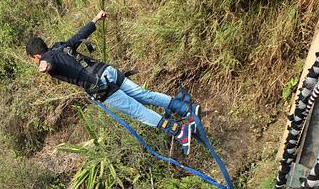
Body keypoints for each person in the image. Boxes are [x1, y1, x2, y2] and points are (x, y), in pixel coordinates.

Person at [25, 10, 200, 155]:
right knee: (143, 95)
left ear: (36, 56)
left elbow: (49, 64)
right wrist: (96, 18)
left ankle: (178, 131)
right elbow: (79, 35)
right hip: (108, 71)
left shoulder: (46, 60)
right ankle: (185, 109)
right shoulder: (60, 46)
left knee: (138, 112)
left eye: (34, 60)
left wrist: (45, 66)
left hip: (101, 88)